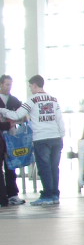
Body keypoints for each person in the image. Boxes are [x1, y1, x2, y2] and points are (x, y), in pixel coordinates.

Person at [0, 76, 65, 205]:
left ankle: (47, 195)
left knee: (44, 168)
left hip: (41, 138)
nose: (30, 89)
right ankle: (55, 195)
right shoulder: (53, 99)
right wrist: (61, 135)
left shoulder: (32, 100)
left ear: (35, 85)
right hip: (56, 138)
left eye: (30, 86)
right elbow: (60, 119)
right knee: (54, 167)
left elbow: (17, 114)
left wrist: (2, 110)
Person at [0, 74, 25, 206]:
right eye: (7, 84)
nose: (9, 87)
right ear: (1, 84)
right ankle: (2, 196)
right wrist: (8, 124)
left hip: (11, 138)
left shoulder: (14, 100)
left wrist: (14, 121)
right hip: (1, 138)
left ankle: (12, 194)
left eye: (10, 84)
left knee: (11, 166)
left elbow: (23, 116)